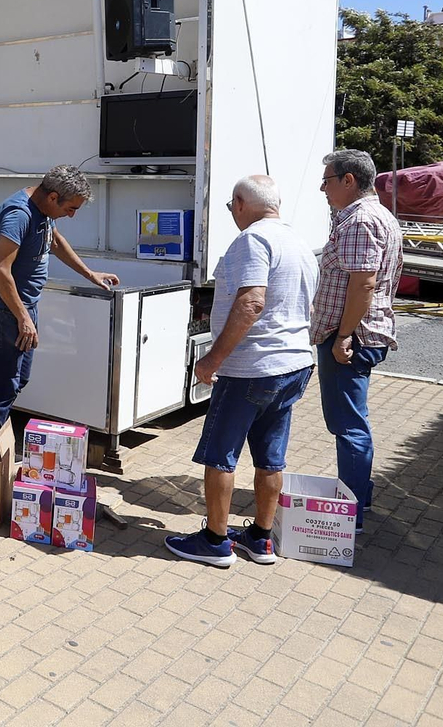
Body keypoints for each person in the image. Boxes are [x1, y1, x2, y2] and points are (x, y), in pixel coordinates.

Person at [165, 176, 317, 567]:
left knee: (221, 455)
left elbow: (252, 302)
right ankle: (261, 539)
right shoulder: (298, 242)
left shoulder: (253, 240)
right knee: (271, 456)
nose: (232, 213)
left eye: (231, 206)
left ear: (240, 202)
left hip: (252, 367)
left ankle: (215, 541)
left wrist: (212, 360)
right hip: (294, 364)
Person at [0, 164, 120, 434]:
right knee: (4, 384)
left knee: (19, 379)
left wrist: (90, 274)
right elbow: (0, 272)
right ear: (53, 197)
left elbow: (55, 242)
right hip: (5, 311)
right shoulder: (18, 215)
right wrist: (23, 318)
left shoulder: (43, 211)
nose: (72, 215)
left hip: (24, 309)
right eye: (70, 209)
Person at [311, 148, 403, 531]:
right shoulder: (373, 215)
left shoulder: (361, 219)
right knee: (352, 420)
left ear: (349, 180)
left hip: (350, 336)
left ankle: (351, 511)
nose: (322, 188)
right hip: (357, 334)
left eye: (328, 180)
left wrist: (343, 336)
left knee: (347, 424)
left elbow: (362, 282)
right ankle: (357, 496)